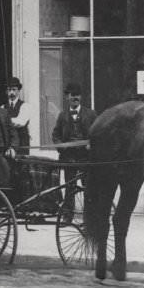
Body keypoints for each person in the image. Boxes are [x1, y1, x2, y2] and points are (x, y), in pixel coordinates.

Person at [52, 82, 97, 221]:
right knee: (69, 187)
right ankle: (67, 216)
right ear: (67, 97)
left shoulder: (91, 114)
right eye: (72, 95)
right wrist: (61, 146)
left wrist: (92, 145)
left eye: (77, 95)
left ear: (81, 97)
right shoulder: (62, 116)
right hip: (69, 158)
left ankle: (88, 217)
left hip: (85, 158)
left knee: (88, 187)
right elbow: (55, 135)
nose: (75, 97)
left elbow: (98, 133)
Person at [5, 76, 34, 156]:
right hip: (9, 143)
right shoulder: (3, 107)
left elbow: (20, 122)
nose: (11, 93)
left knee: (22, 165)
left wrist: (5, 121)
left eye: (14, 90)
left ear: (18, 91)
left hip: (22, 142)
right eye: (9, 90)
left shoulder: (25, 106)